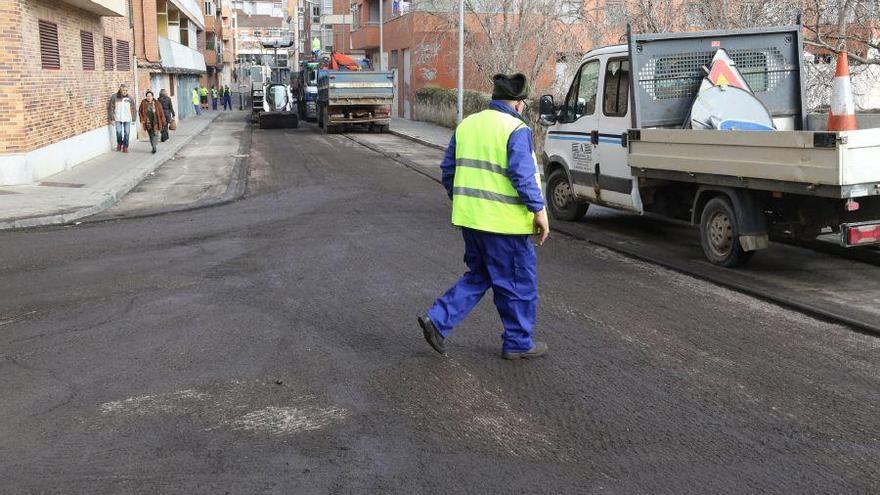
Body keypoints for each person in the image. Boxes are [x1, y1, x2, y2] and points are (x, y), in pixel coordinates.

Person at [418, 73, 550, 360]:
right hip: (505, 224)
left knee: (480, 275)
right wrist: (539, 211)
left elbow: (448, 171)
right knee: (518, 283)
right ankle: (518, 342)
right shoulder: (516, 128)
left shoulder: (467, 124)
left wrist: (465, 202)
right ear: (518, 104)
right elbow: (523, 176)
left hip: (471, 221)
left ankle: (437, 321)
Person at [107, 84, 136, 153]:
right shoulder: (114, 97)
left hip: (127, 118)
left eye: (126, 90)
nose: (125, 92)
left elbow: (134, 108)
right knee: (118, 132)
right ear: (120, 90)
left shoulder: (130, 98)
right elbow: (110, 108)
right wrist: (111, 118)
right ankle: (119, 143)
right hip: (118, 118)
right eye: (124, 90)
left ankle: (125, 147)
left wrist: (134, 119)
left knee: (127, 133)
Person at [138, 90, 167, 154]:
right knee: (151, 135)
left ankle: (154, 146)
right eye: (147, 96)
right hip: (148, 122)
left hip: (156, 121)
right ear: (146, 97)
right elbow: (140, 111)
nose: (149, 97)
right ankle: (153, 147)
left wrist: (163, 121)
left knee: (155, 134)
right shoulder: (143, 103)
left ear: (152, 96)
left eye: (150, 96)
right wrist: (142, 119)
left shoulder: (157, 103)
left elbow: (161, 112)